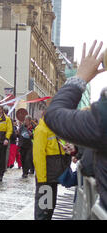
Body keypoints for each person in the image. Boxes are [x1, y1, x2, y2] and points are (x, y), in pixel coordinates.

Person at [42, 40, 107, 212]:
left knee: (45, 204)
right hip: (49, 171)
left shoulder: (101, 118)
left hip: (50, 172)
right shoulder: (40, 129)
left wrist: (80, 78)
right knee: (46, 202)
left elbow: (54, 116)